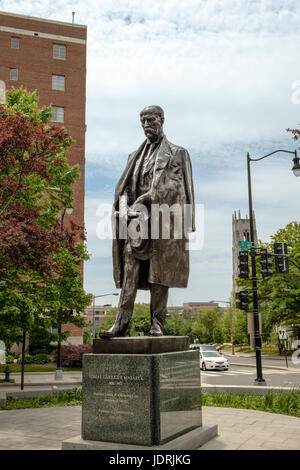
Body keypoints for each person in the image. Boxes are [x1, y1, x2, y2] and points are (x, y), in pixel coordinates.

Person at [100, 105, 195, 338]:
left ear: (162, 120)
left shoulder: (178, 153)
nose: (146, 126)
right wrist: (123, 210)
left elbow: (185, 189)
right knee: (129, 271)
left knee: (159, 275)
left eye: (150, 120)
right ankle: (120, 324)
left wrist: (156, 197)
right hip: (136, 221)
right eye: (142, 121)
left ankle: (157, 324)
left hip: (164, 222)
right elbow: (123, 190)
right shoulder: (134, 156)